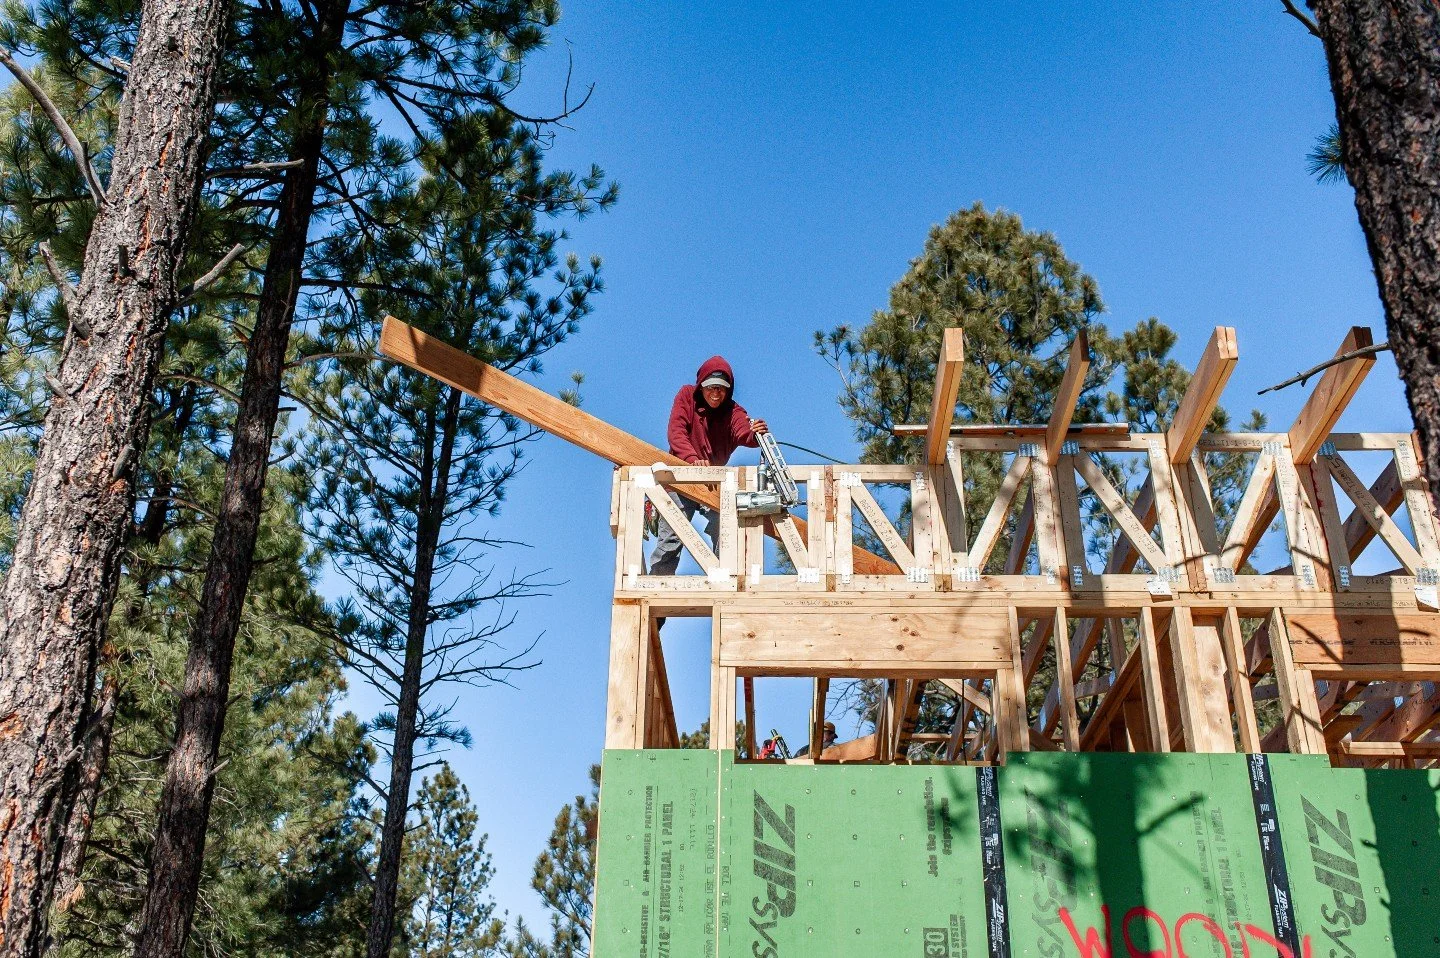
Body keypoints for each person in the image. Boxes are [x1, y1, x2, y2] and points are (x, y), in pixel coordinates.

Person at [647, 356, 768, 577]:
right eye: (711, 387)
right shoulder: (686, 396)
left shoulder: (733, 412)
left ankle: (725, 582)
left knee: (726, 528)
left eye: (721, 388)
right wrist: (693, 460)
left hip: (713, 484)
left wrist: (755, 434)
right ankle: (657, 584)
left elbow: (742, 431)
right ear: (701, 386)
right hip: (681, 480)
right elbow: (676, 432)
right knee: (671, 537)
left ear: (728, 390)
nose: (716, 393)